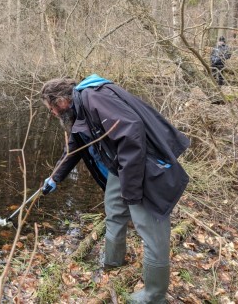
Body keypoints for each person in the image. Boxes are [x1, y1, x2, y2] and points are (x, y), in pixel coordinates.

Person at [40, 74, 190, 304]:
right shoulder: (80, 108)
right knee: (114, 212)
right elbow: (75, 146)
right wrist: (54, 177)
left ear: (61, 101)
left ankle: (154, 296)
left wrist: (131, 190)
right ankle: (112, 262)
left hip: (143, 166)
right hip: (121, 166)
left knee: (151, 229)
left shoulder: (94, 97)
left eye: (51, 108)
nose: (52, 114)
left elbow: (131, 133)